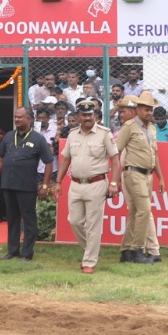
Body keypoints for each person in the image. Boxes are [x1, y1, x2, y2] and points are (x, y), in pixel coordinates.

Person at [51, 96, 119, 274]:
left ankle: (89, 261)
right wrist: (58, 182)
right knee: (74, 221)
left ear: (95, 116)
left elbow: (115, 159)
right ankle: (90, 249)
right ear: (78, 116)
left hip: (97, 183)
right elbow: (65, 159)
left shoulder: (104, 133)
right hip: (75, 184)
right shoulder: (72, 134)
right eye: (84, 115)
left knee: (94, 224)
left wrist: (113, 182)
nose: (87, 118)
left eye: (90, 114)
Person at [0, 107, 54, 261]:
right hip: (8, 184)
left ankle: (27, 253)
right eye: (15, 117)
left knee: (29, 220)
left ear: (29, 119)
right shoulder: (8, 136)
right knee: (12, 219)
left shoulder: (38, 139)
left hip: (26, 186)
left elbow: (49, 162)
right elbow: (0, 160)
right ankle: (12, 251)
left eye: (20, 117)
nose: (17, 120)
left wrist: (44, 185)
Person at [114, 96, 164, 263]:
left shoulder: (152, 128)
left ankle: (126, 250)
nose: (149, 112)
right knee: (144, 211)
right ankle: (137, 250)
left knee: (135, 213)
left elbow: (154, 154)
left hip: (148, 174)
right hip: (134, 173)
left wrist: (160, 177)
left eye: (151, 109)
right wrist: (115, 178)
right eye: (146, 109)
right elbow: (117, 151)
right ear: (138, 110)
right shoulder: (129, 126)